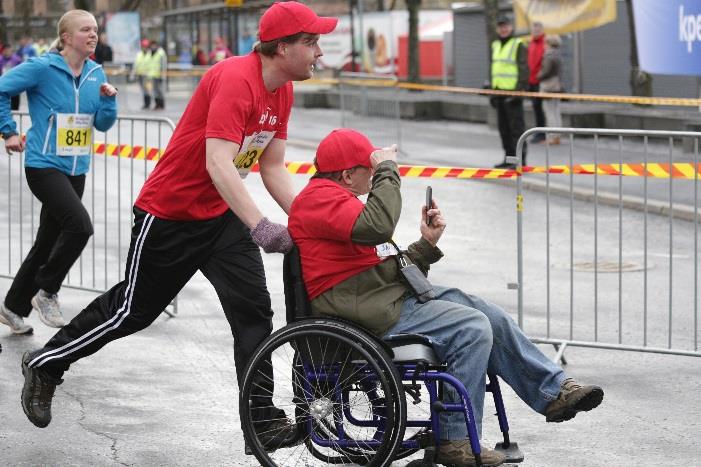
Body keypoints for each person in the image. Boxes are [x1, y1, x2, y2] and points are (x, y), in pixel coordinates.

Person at [19, 1, 337, 441]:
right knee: (132, 311)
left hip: (222, 217)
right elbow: (218, 164)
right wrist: (262, 226)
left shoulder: (282, 89)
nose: (320, 51)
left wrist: (313, 222)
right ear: (281, 48)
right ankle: (47, 363)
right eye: (311, 41)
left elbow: (273, 167)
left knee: (253, 314)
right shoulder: (233, 78)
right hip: (171, 213)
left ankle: (261, 422)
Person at [288, 128, 604, 467]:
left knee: (489, 314)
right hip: (367, 310)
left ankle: (554, 392)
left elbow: (384, 263)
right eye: (370, 171)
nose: (374, 178)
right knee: (471, 327)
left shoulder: (338, 200)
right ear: (348, 174)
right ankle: (456, 442)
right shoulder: (319, 198)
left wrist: (427, 243)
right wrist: (388, 170)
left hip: (380, 296)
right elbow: (378, 227)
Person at [0, 10, 117, 336]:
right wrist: (7, 130)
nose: (93, 35)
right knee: (80, 227)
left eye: (95, 30)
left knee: (47, 240)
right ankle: (47, 292)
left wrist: (109, 102)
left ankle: (12, 306)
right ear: (66, 37)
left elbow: (103, 124)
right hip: (44, 165)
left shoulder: (95, 72)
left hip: (76, 167)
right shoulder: (43, 67)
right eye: (85, 30)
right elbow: (1, 88)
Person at [490, 15, 529, 169]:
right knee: (504, 129)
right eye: (500, 26)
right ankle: (508, 158)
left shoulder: (518, 44)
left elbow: (524, 70)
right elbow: (495, 69)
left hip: (513, 94)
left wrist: (518, 92)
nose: (503, 29)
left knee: (516, 130)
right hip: (499, 92)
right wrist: (492, 92)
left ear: (511, 27)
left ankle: (520, 161)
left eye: (505, 26)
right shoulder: (495, 45)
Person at [538, 34, 564, 145]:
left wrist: (538, 76)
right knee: (556, 111)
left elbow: (546, 71)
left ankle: (552, 137)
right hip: (557, 85)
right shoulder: (558, 55)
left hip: (548, 86)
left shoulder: (548, 56)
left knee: (549, 112)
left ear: (548, 43)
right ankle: (558, 135)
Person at [527, 21, 546, 143]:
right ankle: (539, 132)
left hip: (540, 81)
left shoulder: (545, 44)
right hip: (531, 81)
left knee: (541, 109)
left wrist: (539, 76)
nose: (536, 32)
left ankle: (542, 133)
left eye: (538, 30)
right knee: (536, 108)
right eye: (534, 30)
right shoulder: (531, 43)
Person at [146, 39, 167, 110]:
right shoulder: (150, 53)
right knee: (154, 91)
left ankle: (161, 104)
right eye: (152, 45)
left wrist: (162, 75)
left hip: (159, 75)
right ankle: (157, 104)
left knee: (160, 91)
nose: (153, 46)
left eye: (154, 45)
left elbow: (163, 65)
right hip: (152, 75)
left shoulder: (161, 53)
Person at [0, 46, 22, 110]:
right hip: (3, 84)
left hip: (14, 84)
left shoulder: (17, 59)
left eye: (9, 51)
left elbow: (21, 71)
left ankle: (14, 114)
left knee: (15, 105)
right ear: (3, 51)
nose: (7, 52)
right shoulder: (0, 59)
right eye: (6, 51)